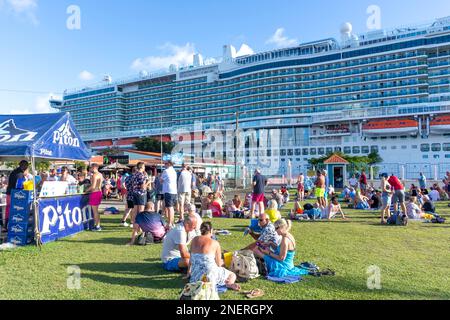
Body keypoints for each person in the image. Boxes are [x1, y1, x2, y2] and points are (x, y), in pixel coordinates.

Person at [189, 222, 241, 291]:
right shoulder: (215, 243)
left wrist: (188, 272)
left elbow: (191, 259)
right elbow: (219, 264)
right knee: (232, 275)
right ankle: (229, 284)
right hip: (208, 277)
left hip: (194, 277)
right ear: (211, 230)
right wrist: (225, 262)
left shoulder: (194, 240)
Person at [5, 160, 29, 228]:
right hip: (14, 195)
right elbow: (19, 185)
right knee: (12, 210)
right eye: (26, 166)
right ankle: (9, 226)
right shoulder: (19, 174)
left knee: (9, 209)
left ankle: (7, 225)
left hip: (10, 193)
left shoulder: (15, 171)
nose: (27, 167)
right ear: (25, 166)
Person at [85, 164, 104, 231]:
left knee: (95, 211)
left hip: (95, 193)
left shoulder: (95, 175)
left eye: (91, 168)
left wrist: (86, 190)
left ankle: (97, 226)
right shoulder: (100, 174)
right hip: (99, 192)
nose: (90, 169)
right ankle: (98, 225)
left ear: (94, 167)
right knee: (96, 211)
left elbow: (93, 186)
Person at [161, 160, 178, 228]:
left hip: (168, 190)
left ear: (168, 164)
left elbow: (161, 180)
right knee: (170, 207)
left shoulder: (166, 171)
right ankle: (171, 222)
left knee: (169, 207)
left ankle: (170, 223)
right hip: (173, 190)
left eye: (165, 163)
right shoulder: (174, 171)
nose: (164, 165)